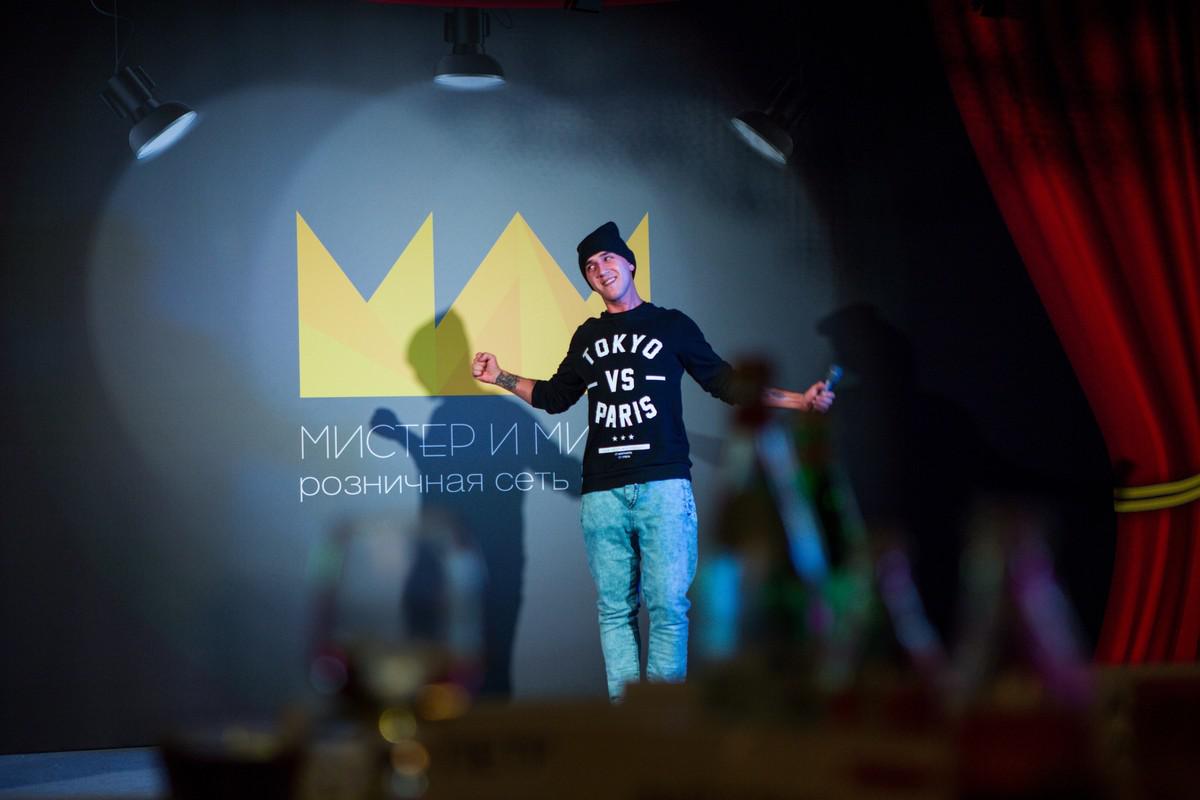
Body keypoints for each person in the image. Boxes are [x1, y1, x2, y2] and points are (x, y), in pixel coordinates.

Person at [471, 220, 834, 701]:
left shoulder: (671, 326)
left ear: (629, 263)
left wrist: (800, 401)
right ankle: (626, 719)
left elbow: (727, 384)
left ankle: (664, 719)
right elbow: (555, 397)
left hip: (663, 487)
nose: (600, 269)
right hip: (603, 493)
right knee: (614, 611)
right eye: (589, 266)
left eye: (607, 258)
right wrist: (500, 377)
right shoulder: (587, 336)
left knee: (668, 607)